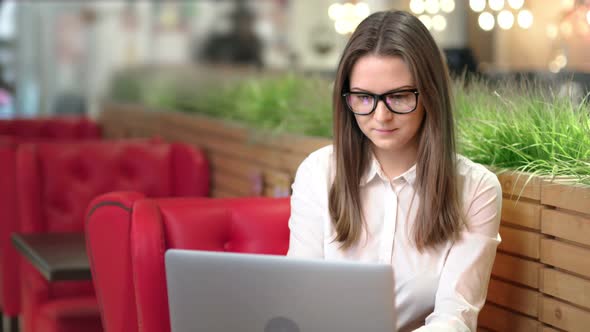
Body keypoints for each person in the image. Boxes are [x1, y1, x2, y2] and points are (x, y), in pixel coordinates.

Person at [287, 10, 502, 332]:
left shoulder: (475, 189)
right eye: (363, 98)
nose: (381, 116)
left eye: (399, 97)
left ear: (430, 95)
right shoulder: (318, 173)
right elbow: (297, 296)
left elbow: (454, 318)